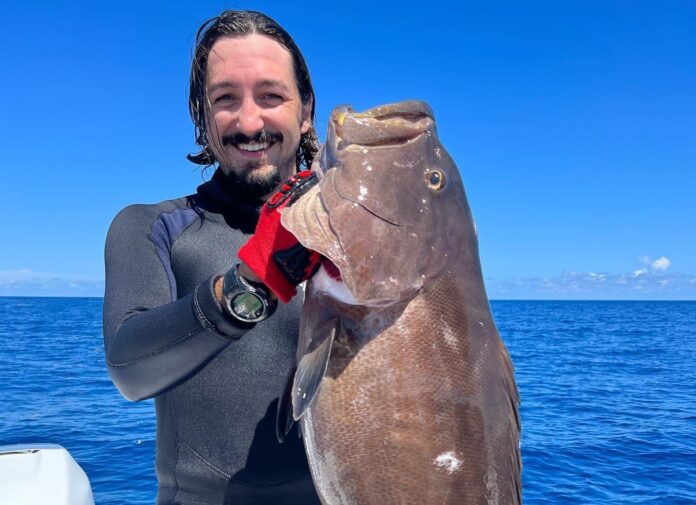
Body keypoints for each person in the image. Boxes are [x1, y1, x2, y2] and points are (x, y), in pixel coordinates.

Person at [103, 10, 323, 505]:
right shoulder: (153, 227)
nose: (249, 122)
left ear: (305, 110)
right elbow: (130, 370)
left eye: (271, 96)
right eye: (226, 99)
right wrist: (255, 283)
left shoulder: (356, 233)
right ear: (202, 115)